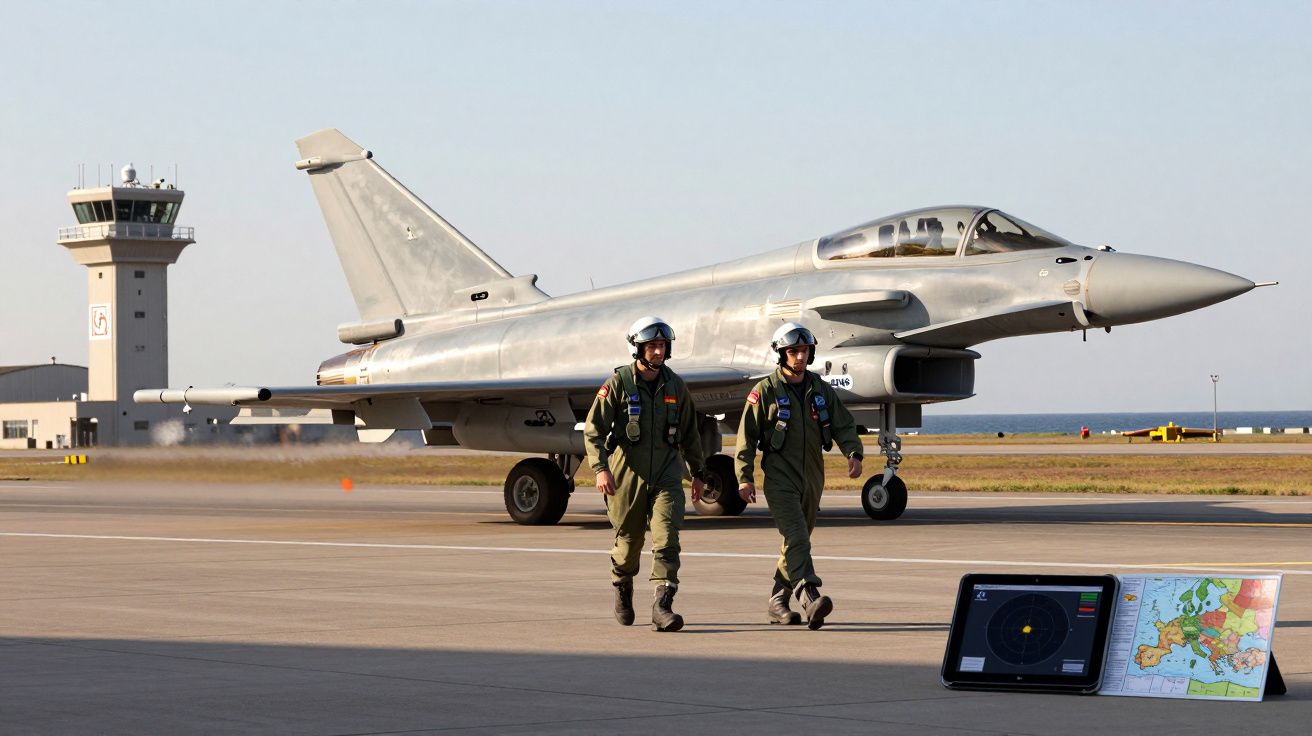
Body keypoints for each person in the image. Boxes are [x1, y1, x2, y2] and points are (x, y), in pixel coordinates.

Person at [734, 322, 863, 630]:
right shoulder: (764, 391)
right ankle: (809, 597)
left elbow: (843, 423)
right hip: (780, 477)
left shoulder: (819, 388)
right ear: (781, 354)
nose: (799, 357)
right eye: (793, 352)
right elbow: (746, 437)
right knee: (797, 537)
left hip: (812, 475)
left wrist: (853, 452)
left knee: (797, 542)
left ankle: (777, 602)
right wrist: (744, 476)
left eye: (804, 351)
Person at [584, 316, 706, 631]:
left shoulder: (675, 385)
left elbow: (690, 433)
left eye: (662, 346)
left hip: (667, 472)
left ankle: (662, 605)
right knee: (628, 540)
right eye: (651, 346)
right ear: (638, 348)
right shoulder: (618, 384)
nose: (657, 351)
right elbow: (593, 430)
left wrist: (698, 473)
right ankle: (622, 586)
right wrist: (600, 469)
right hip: (627, 473)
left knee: (667, 537)